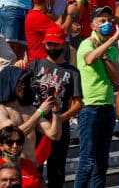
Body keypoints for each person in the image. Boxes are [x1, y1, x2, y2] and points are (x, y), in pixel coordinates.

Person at [74, 6, 119, 188]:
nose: (107, 24)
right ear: (92, 25)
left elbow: (117, 78)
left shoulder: (111, 50)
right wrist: (109, 44)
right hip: (89, 107)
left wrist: (106, 56)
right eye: (102, 21)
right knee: (87, 160)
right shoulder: (86, 43)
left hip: (107, 107)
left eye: (109, 20)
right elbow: (89, 59)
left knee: (102, 162)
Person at [26, 30, 81, 188]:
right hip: (36, 124)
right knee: (32, 169)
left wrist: (60, 118)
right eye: (48, 44)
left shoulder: (72, 72)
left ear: (63, 44)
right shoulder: (35, 65)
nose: (51, 47)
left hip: (59, 126)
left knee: (56, 173)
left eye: (54, 44)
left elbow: (78, 103)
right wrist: (18, 64)